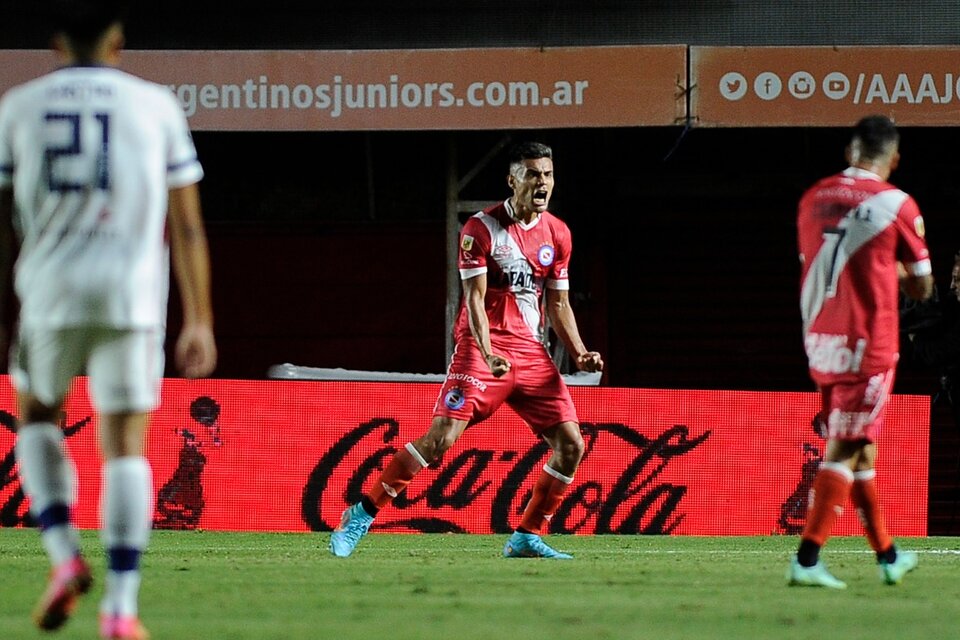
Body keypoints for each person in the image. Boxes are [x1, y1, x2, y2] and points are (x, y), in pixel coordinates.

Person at [0, 1, 217, 637]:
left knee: (38, 415)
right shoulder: (156, 107)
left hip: (49, 292)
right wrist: (199, 318)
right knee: (126, 445)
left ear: (56, 41)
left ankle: (65, 557)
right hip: (132, 298)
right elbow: (188, 224)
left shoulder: (18, 106)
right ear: (118, 39)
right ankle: (120, 608)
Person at [329, 141, 603, 559]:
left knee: (572, 446)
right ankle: (361, 515)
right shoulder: (481, 229)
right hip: (483, 347)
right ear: (512, 180)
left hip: (531, 353)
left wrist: (580, 352)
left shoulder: (558, 233)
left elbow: (558, 303)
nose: (542, 182)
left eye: (547, 174)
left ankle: (527, 535)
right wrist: (487, 350)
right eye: (532, 174)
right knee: (441, 439)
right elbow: (472, 299)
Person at [789, 114, 932, 589]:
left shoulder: (813, 197)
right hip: (868, 344)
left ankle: (888, 556)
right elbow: (923, 287)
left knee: (862, 450)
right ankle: (807, 559)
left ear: (850, 152)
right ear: (892, 158)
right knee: (847, 446)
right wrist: (892, 273)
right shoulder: (896, 203)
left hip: (821, 340)